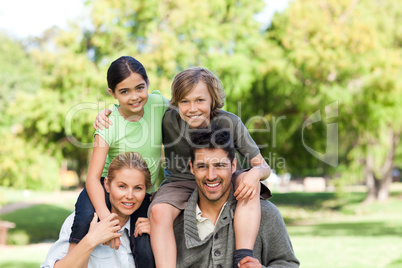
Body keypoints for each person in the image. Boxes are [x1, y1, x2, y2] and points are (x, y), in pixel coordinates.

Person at [94, 67, 271, 268]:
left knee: (250, 182)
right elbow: (132, 107)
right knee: (159, 211)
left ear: (212, 98)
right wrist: (107, 113)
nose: (192, 108)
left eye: (200, 100)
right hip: (180, 183)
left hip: (221, 179)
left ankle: (243, 258)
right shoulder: (168, 118)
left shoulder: (229, 122)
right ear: (176, 102)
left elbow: (263, 166)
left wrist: (255, 173)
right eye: (184, 101)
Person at [70, 56, 168, 254]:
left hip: (142, 192)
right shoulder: (108, 124)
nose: (134, 97)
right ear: (112, 93)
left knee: (146, 248)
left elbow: (188, 107)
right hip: (106, 186)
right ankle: (71, 258)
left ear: (148, 84)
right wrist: (107, 217)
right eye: (124, 91)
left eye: (140, 88)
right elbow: (92, 178)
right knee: (85, 219)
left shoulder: (158, 104)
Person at [173, 125, 300, 268]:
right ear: (191, 167)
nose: (211, 176)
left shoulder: (266, 213)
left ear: (233, 166)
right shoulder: (174, 222)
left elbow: (288, 263)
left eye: (219, 165)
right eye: (202, 166)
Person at [41, 152, 155, 268]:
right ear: (107, 185)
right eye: (122, 186)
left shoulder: (148, 227)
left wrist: (157, 235)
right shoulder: (79, 222)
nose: (130, 196)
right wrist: (91, 239)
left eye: (138, 188)